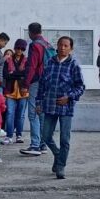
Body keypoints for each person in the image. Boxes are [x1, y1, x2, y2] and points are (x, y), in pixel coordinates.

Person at [36, 36, 85, 179]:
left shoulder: (73, 65)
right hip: (49, 105)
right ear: (56, 46)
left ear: (71, 48)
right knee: (45, 136)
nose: (63, 48)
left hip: (66, 108)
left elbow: (80, 86)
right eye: (60, 45)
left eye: (66, 46)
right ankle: (58, 154)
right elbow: (42, 85)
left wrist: (69, 97)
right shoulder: (49, 64)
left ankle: (61, 166)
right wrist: (38, 102)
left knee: (65, 139)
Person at [20, 23, 53, 156]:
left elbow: (32, 66)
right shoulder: (47, 44)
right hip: (47, 82)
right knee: (42, 113)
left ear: (30, 32)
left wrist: (25, 84)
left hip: (36, 81)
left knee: (33, 113)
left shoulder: (35, 45)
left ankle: (34, 145)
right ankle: (42, 144)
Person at [3, 40, 29, 143]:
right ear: (15, 48)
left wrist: (13, 73)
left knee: (21, 114)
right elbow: (5, 75)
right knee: (9, 113)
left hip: (23, 91)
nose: (20, 50)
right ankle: (9, 136)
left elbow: (27, 74)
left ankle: (19, 135)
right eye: (18, 48)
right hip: (10, 91)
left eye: (22, 48)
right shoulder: (8, 60)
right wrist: (19, 74)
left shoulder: (27, 61)